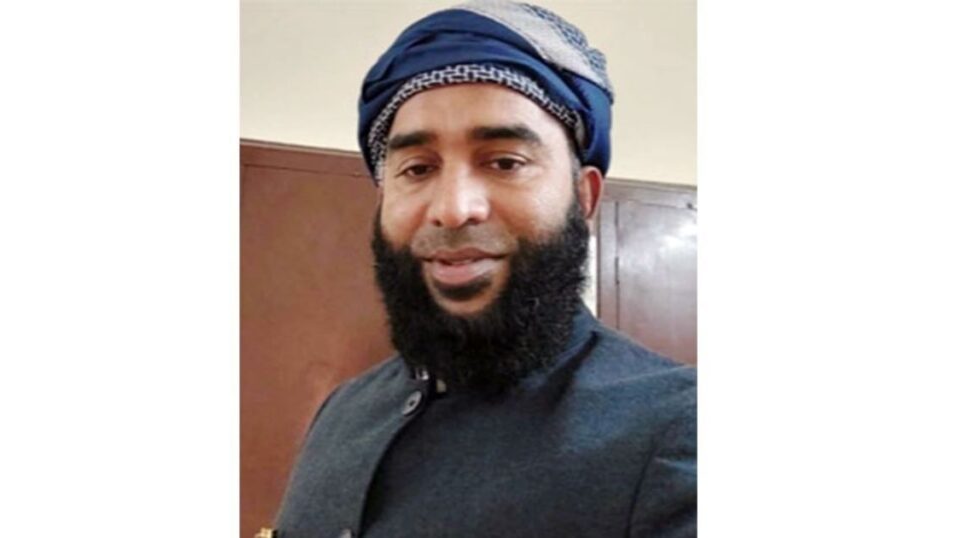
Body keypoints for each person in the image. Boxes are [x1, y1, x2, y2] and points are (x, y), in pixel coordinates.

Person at [266, 1, 696, 536]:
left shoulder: (679, 429)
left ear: (584, 197)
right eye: (417, 169)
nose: (453, 208)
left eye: (505, 162)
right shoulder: (342, 411)